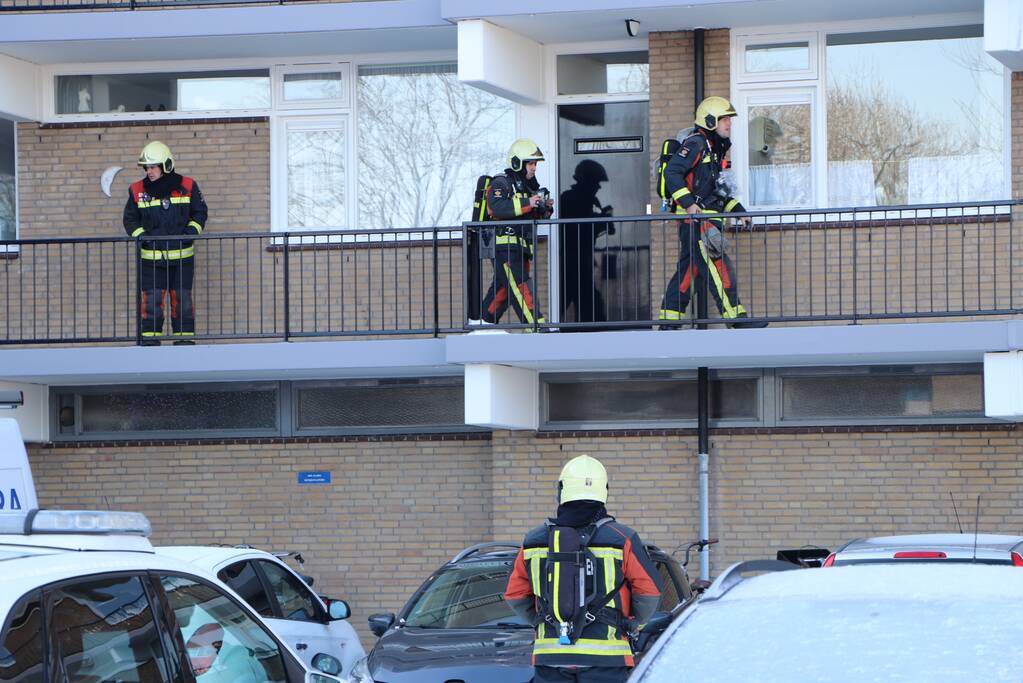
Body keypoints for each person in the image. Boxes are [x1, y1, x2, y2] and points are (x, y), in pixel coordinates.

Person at [504, 454, 662, 683]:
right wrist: (633, 624)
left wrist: (545, 621)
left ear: (561, 491)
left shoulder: (534, 539)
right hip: (607, 658)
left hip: (551, 656)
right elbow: (650, 591)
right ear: (604, 491)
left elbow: (514, 593)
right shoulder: (622, 538)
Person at [658, 96, 767, 329]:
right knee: (719, 268)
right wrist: (688, 204)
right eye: (724, 119)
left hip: (705, 219)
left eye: (729, 119)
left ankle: (668, 322)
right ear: (709, 121)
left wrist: (739, 211)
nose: (729, 124)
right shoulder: (696, 143)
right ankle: (736, 319)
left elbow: (714, 194)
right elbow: (672, 174)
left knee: (689, 271)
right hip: (698, 222)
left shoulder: (714, 151)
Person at [123, 141, 207, 345]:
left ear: (166, 165)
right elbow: (130, 220)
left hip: (182, 259)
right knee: (152, 303)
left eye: (152, 167)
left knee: (183, 302)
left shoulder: (187, 186)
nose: (148, 171)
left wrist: (189, 233)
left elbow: (200, 213)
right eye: (146, 167)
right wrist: (144, 238)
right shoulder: (136, 190)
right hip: (152, 260)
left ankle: (184, 344)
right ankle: (150, 344)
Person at [479, 138, 552, 327]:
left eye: (535, 163)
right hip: (505, 247)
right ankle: (536, 327)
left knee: (503, 290)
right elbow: (497, 208)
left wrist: (544, 208)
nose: (534, 168)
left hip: (521, 249)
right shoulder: (501, 183)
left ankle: (483, 323)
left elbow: (532, 217)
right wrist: (529, 203)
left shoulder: (528, 189)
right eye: (530, 163)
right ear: (517, 162)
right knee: (521, 286)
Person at [559, 160, 613, 327]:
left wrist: (602, 220)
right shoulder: (571, 198)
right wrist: (601, 220)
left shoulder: (588, 201)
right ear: (586, 180)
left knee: (588, 303)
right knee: (583, 301)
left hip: (582, 261)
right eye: (596, 182)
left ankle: (588, 333)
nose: (598, 186)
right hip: (572, 261)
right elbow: (578, 226)